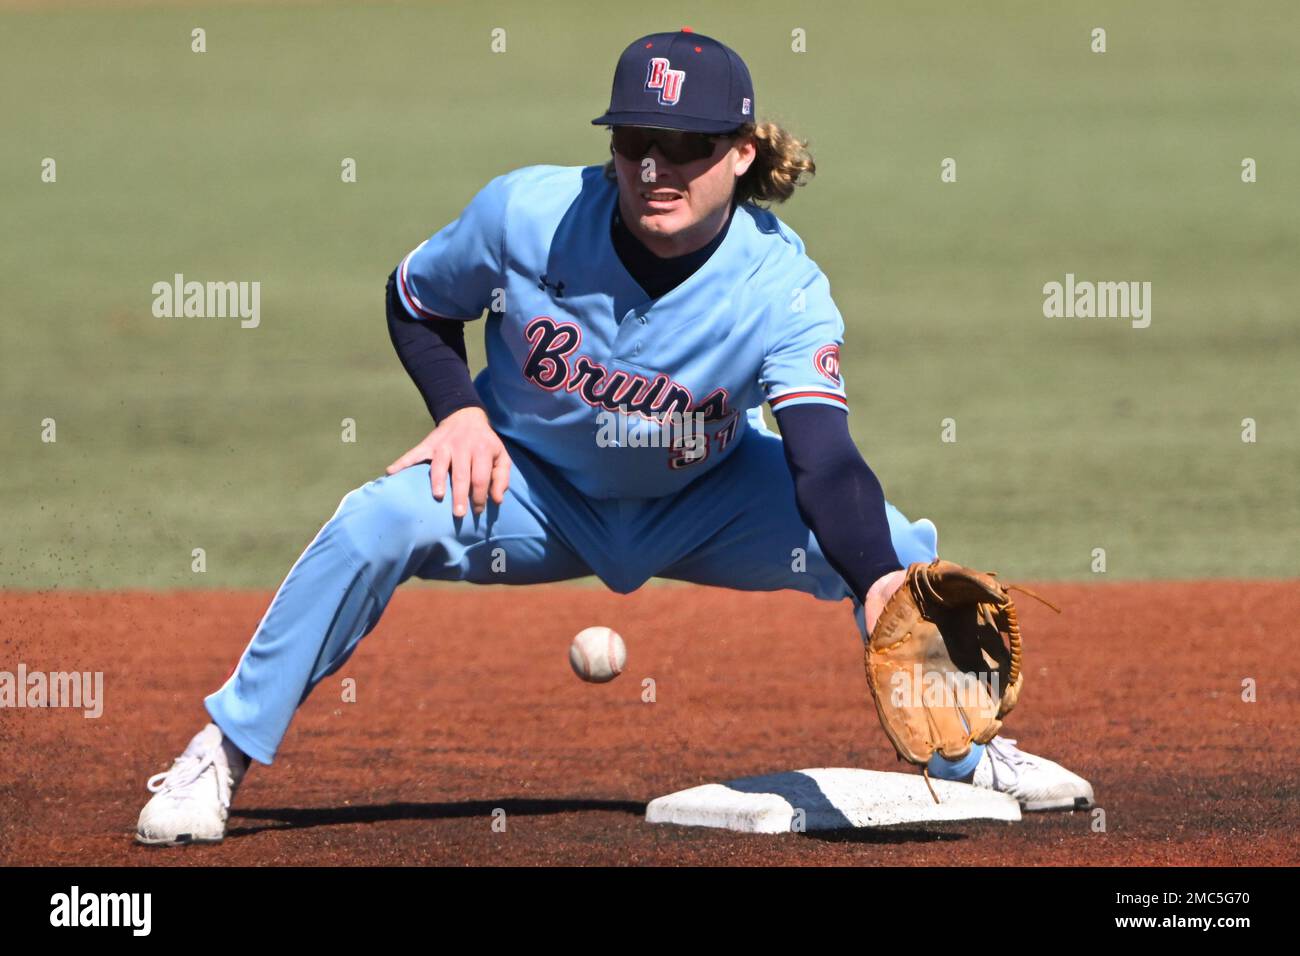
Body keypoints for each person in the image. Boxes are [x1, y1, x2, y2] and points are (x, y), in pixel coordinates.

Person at [137, 29, 1092, 846]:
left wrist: (878, 580)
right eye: (637, 139)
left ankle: (968, 753)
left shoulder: (782, 286)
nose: (654, 167)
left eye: (684, 144)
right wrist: (459, 413)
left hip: (707, 501)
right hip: (531, 490)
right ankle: (218, 755)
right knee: (371, 524)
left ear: (742, 153)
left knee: (893, 546)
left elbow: (824, 458)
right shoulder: (526, 216)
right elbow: (414, 299)